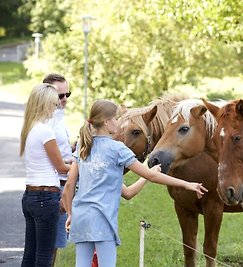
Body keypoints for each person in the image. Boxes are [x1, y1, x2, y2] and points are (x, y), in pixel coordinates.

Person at [62, 99, 207, 267]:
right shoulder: (117, 149)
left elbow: (70, 187)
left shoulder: (83, 145)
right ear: (107, 122)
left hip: (81, 218)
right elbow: (152, 177)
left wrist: (70, 214)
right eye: (116, 118)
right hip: (102, 220)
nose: (118, 122)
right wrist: (187, 184)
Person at [20, 83, 71, 267]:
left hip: (30, 196)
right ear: (44, 103)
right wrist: (80, 165)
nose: (56, 107)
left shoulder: (30, 128)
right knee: (44, 256)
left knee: (30, 254)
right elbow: (61, 167)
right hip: (46, 196)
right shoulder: (45, 130)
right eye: (53, 103)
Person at [42, 73, 73, 267]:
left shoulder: (59, 118)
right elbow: (56, 163)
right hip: (54, 187)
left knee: (52, 248)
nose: (65, 100)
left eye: (67, 94)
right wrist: (79, 165)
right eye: (60, 96)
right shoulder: (48, 122)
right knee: (47, 250)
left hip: (62, 185)